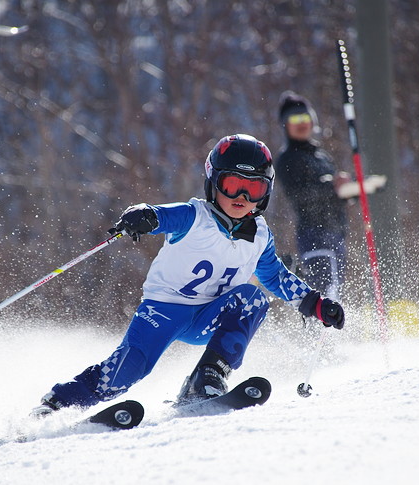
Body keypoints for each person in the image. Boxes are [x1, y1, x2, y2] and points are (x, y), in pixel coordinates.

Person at [34, 134, 345, 415]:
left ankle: (207, 379)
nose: (242, 197)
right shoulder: (194, 216)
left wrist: (315, 304)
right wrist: (142, 216)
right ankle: (57, 405)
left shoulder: (261, 236)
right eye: (232, 185)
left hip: (210, 318)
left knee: (253, 299)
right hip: (164, 312)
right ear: (213, 182)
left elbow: (275, 276)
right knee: (127, 372)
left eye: (254, 188)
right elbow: (161, 215)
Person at [275, 91, 350, 301]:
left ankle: (333, 332)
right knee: (325, 292)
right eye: (294, 119)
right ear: (285, 124)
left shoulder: (320, 156)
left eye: (305, 118)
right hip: (314, 234)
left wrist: (347, 191)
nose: (301, 123)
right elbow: (300, 195)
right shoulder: (288, 159)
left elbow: (332, 195)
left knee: (335, 289)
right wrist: (332, 185)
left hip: (336, 233)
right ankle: (321, 333)